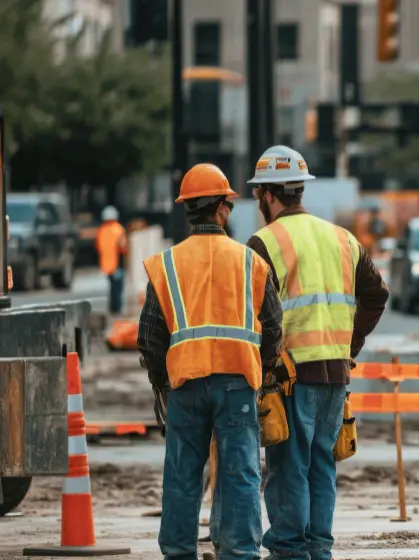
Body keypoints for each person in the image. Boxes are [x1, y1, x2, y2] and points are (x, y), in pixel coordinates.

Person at [245, 145, 389, 560]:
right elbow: (377, 295)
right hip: (335, 376)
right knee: (322, 464)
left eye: (258, 196)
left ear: (267, 195)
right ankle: (318, 549)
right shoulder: (344, 239)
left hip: (290, 378)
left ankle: (290, 550)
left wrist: (263, 367)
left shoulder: (263, 243)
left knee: (288, 467)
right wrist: (349, 346)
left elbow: (253, 313)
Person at [137, 163, 284, 559]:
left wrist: (162, 385)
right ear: (221, 208)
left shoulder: (168, 264)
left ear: (188, 209)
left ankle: (178, 552)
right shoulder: (250, 262)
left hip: (185, 384)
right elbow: (273, 327)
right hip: (238, 383)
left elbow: (149, 336)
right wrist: (260, 370)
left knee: (182, 474)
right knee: (241, 473)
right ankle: (240, 552)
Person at [95, 206, 127, 315]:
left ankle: (113, 308)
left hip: (106, 265)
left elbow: (98, 247)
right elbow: (123, 247)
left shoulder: (101, 231)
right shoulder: (119, 229)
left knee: (112, 288)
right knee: (118, 288)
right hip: (117, 264)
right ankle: (117, 309)